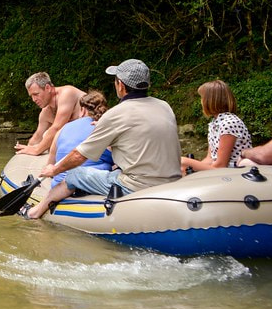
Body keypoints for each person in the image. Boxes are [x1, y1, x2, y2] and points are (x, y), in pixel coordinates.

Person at [26, 59, 182, 219]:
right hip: (172, 179)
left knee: (74, 174)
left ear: (120, 85)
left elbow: (79, 155)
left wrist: (55, 170)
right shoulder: (164, 106)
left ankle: (36, 211)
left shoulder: (115, 114)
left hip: (136, 185)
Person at [180, 80, 252, 173]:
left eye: (202, 98)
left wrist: (186, 162)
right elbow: (210, 159)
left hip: (236, 174)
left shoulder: (229, 123)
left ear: (210, 100)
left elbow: (220, 166)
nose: (201, 102)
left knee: (183, 162)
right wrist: (193, 171)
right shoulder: (215, 124)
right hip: (221, 173)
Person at [48, 90, 115, 186]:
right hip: (91, 187)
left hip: (58, 184)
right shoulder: (103, 129)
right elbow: (120, 159)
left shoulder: (63, 128)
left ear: (82, 110)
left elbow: (50, 163)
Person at [14, 72, 86, 156]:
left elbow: (57, 127)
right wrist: (26, 149)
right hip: (77, 142)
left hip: (95, 134)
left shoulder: (67, 93)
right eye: (31, 96)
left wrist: (37, 150)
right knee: (46, 135)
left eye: (36, 94)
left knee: (50, 135)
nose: (34, 99)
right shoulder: (46, 112)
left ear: (48, 88)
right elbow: (37, 136)